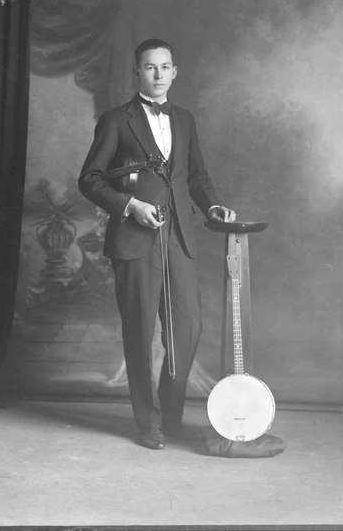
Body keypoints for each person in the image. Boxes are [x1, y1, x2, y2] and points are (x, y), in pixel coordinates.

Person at [78, 39, 236, 450]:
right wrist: (130, 206)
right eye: (150, 67)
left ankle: (170, 414)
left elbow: (196, 177)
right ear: (137, 73)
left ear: (175, 71)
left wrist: (213, 205)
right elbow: (90, 179)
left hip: (180, 238)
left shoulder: (184, 119)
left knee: (187, 330)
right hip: (135, 240)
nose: (159, 74)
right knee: (140, 332)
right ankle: (147, 422)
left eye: (165, 67)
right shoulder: (116, 120)